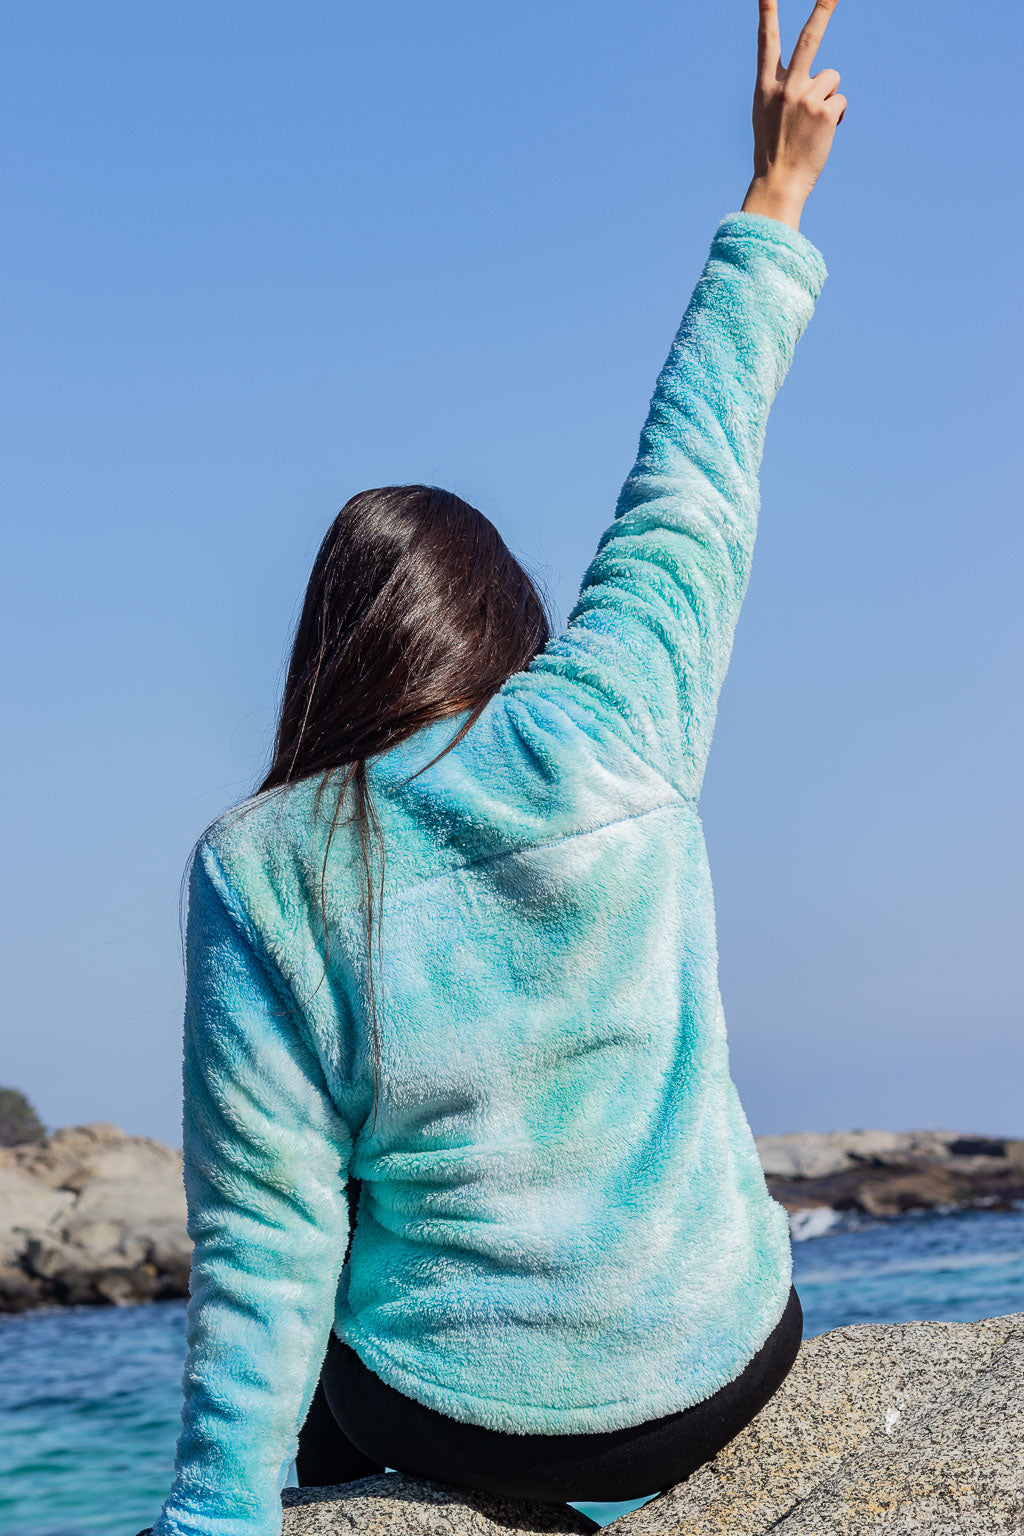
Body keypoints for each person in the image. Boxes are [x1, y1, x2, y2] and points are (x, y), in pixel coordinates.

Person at [148, 3, 846, 1531]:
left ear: (335, 653)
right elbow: (693, 483)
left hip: (473, 1429)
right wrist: (773, 199)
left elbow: (269, 1243)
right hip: (729, 1359)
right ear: (507, 629)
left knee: (338, 1337)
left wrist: (212, 1514)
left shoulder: (266, 867)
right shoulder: (607, 718)